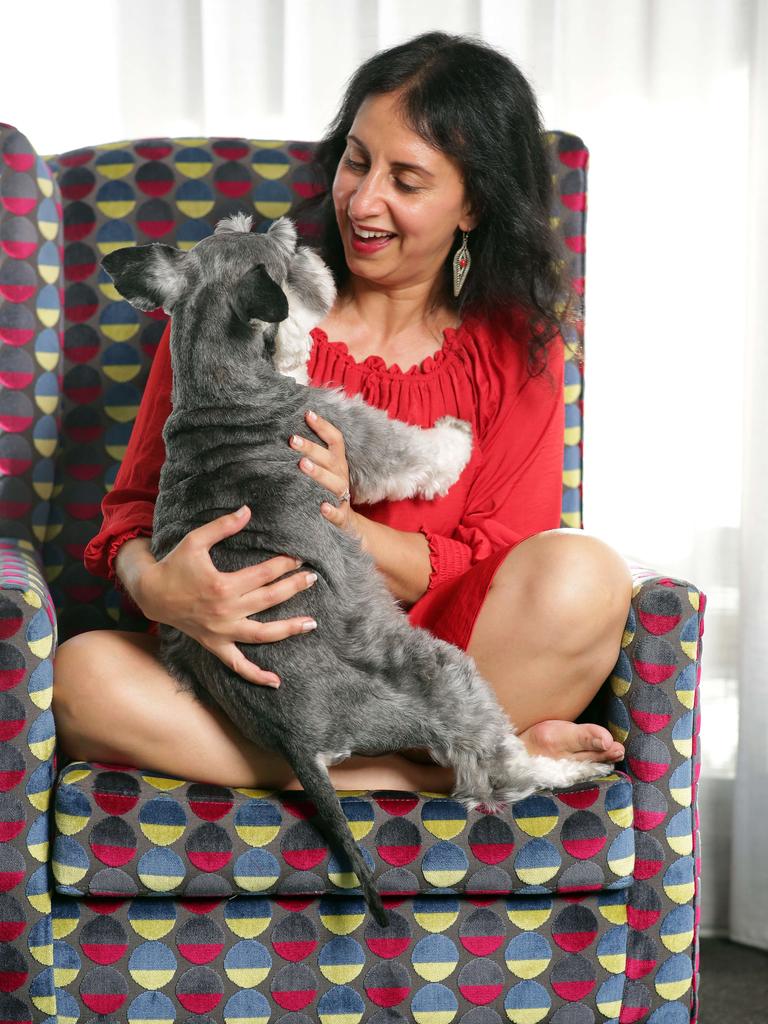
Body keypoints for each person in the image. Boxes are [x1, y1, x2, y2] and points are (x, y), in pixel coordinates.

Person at [53, 32, 632, 794]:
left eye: (408, 180)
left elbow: (502, 556)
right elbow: (130, 513)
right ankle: (418, 772)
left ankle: (365, 756)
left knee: (584, 574)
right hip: (252, 669)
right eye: (357, 161)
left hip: (427, 661)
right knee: (78, 676)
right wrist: (162, 589)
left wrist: (345, 527)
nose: (363, 202)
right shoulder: (238, 303)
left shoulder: (520, 350)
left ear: (474, 205)